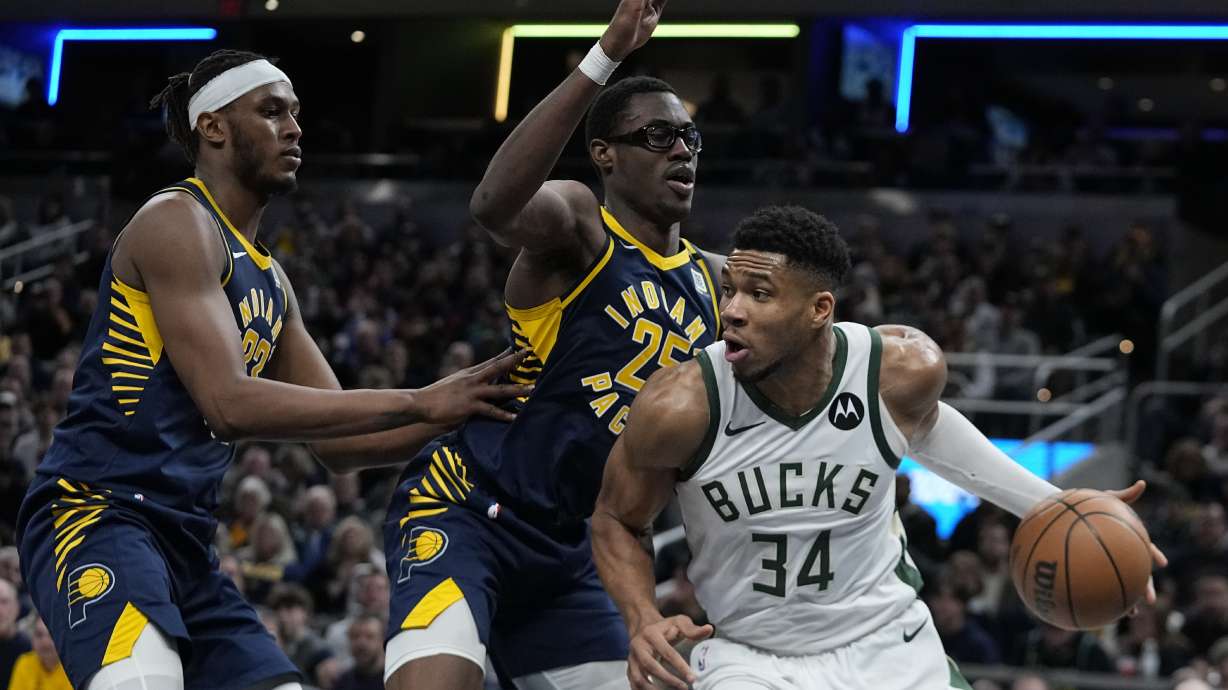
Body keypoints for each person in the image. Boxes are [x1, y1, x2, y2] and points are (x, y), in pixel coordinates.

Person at [15, 49, 528, 690]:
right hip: (98, 515)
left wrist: (483, 407)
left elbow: (346, 447)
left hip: (185, 542)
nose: (294, 128)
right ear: (214, 128)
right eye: (272, 111)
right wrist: (423, 400)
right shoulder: (176, 221)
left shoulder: (272, 279)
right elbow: (228, 404)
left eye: (295, 114)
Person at [590, 205, 1166, 690]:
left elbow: (931, 430)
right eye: (731, 290)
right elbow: (616, 517)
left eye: (759, 294)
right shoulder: (682, 406)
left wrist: (1059, 508)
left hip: (888, 642)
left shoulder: (898, 370)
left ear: (819, 309)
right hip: (752, 659)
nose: (733, 310)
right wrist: (642, 619)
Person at [382, 2, 723, 689]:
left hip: (574, 550)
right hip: (470, 509)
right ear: (606, 153)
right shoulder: (580, 228)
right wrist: (604, 56)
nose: (682, 149)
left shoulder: (717, 283)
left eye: (689, 136)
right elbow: (493, 207)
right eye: (658, 135)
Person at [7, 615, 70, 690]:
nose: (45, 642)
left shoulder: (73, 669)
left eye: (51, 635)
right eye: (39, 635)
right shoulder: (25, 663)